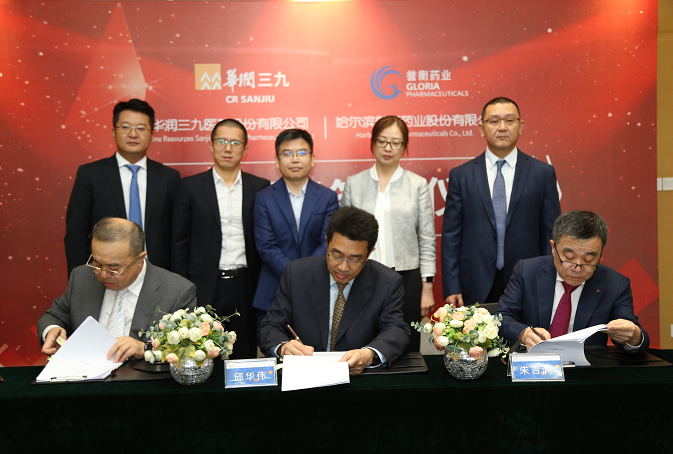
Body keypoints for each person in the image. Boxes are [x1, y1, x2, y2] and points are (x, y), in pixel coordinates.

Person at [258, 206, 410, 375]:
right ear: (327, 242)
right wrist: (283, 347)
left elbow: (397, 330)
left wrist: (369, 354)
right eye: (337, 255)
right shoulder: (297, 273)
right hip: (305, 375)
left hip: (359, 379)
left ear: (369, 254)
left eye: (354, 259)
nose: (343, 267)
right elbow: (270, 326)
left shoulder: (387, 282)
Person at [442, 97, 561, 307]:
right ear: (482, 128)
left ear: (520, 126)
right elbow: (451, 237)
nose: (502, 127)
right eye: (494, 121)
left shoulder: (542, 174)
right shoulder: (462, 176)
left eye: (510, 120)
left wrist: (549, 281)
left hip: (528, 281)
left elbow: (551, 235)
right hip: (475, 283)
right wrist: (452, 286)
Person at [171, 119, 270, 359]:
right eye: (222, 141)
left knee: (244, 353)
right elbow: (179, 243)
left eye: (235, 143)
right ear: (211, 145)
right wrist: (182, 288)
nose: (228, 148)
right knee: (201, 355)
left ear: (245, 149)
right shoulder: (190, 187)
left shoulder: (260, 187)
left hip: (246, 285)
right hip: (203, 285)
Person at [39, 218, 196, 362]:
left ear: (140, 259)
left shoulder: (176, 291)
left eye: (113, 268)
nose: (103, 274)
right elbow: (53, 316)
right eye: (97, 263)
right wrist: (52, 330)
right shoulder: (82, 277)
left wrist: (144, 348)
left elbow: (188, 349)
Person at [341, 116, 435, 351]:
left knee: (405, 341)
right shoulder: (354, 183)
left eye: (395, 143)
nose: (388, 148)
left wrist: (427, 287)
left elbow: (427, 239)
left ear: (404, 147)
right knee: (361, 340)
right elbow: (343, 237)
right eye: (382, 141)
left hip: (406, 277)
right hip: (362, 274)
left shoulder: (417, 184)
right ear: (372, 143)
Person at [495, 210, 649, 352]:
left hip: (587, 368)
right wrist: (524, 333)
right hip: (533, 364)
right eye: (569, 258)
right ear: (553, 247)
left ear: (600, 254)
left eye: (588, 260)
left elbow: (634, 334)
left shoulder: (615, 284)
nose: (577, 268)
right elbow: (500, 318)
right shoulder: (527, 271)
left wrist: (634, 337)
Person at [64, 99, 180, 276]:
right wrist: (81, 279)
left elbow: (177, 236)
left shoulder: (168, 177)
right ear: (114, 132)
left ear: (152, 134)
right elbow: (76, 234)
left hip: (156, 275)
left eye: (141, 128)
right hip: (105, 274)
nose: (133, 134)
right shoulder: (91, 175)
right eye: (126, 127)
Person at [252, 129, 339, 323]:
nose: (295, 159)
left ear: (312, 158)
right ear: (277, 161)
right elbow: (266, 247)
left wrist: (305, 275)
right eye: (287, 153)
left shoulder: (327, 197)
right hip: (273, 292)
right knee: (273, 341)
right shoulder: (264, 198)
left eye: (301, 152)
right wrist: (296, 276)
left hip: (317, 289)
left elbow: (328, 242)